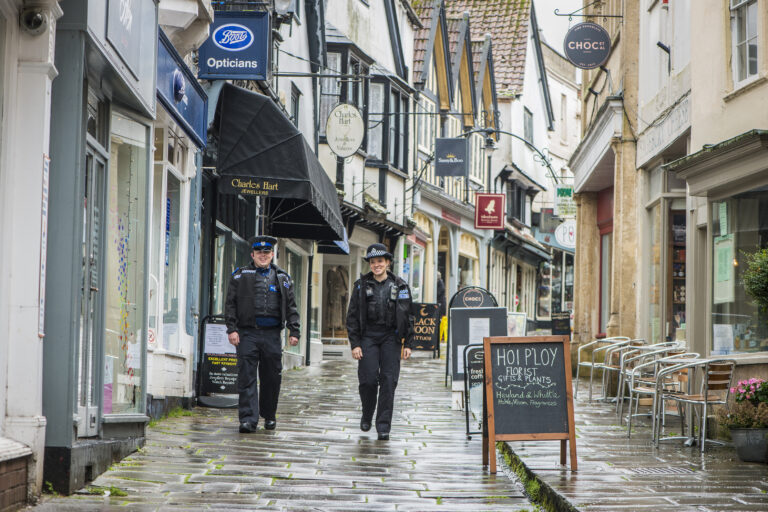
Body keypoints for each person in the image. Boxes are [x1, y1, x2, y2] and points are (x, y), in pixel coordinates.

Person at [225, 235, 300, 433]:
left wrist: (295, 330)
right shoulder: (240, 275)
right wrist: (231, 329)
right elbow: (230, 304)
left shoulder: (282, 278)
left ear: (272, 254)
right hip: (248, 334)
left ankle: (269, 414)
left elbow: (291, 306)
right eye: (259, 252)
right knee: (247, 377)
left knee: (271, 377)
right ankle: (248, 420)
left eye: (266, 252)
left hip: (273, 335)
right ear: (253, 254)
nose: (263, 255)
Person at [346, 243, 414, 440]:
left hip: (391, 338)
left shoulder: (401, 286)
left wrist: (408, 343)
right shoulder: (360, 286)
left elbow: (409, 315)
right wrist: (355, 344)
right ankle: (367, 413)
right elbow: (352, 317)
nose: (376, 265)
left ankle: (383, 426)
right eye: (373, 262)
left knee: (388, 381)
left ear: (388, 263)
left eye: (380, 261)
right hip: (368, 337)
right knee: (368, 380)